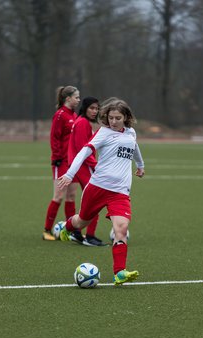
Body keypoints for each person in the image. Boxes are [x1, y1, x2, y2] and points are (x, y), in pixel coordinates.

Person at [58, 98, 145, 285]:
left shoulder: (131, 133)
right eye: (110, 117)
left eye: (118, 118)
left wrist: (140, 165)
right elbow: (84, 151)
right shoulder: (103, 133)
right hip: (98, 187)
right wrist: (69, 173)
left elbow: (135, 147)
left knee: (121, 229)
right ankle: (67, 227)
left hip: (120, 192)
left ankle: (119, 272)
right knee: (82, 220)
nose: (113, 121)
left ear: (126, 117)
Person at [67, 96, 107, 246]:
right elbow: (83, 149)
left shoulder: (80, 121)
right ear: (85, 108)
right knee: (95, 199)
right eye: (92, 108)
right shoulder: (82, 123)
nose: (94, 111)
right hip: (84, 167)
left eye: (97, 108)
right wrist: (96, 165)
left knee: (87, 200)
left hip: (80, 166)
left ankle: (77, 233)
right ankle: (90, 236)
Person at [42, 85, 80, 241]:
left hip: (73, 162)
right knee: (58, 196)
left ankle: (70, 231)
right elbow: (54, 137)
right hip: (61, 161)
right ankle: (46, 230)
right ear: (68, 98)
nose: (78, 100)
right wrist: (57, 157)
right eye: (76, 97)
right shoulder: (60, 115)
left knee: (71, 196)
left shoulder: (75, 115)